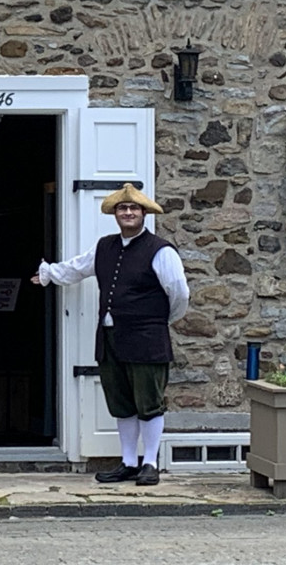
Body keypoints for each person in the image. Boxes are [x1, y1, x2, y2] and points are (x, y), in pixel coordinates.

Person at [30, 183, 189, 486]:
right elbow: (77, 268)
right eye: (122, 208)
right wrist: (50, 273)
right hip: (110, 337)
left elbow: (179, 294)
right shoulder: (105, 246)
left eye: (133, 208)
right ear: (115, 214)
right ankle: (129, 462)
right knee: (121, 401)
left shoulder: (161, 251)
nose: (128, 213)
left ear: (144, 213)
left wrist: (158, 321)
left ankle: (151, 463)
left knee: (149, 401)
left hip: (147, 339)